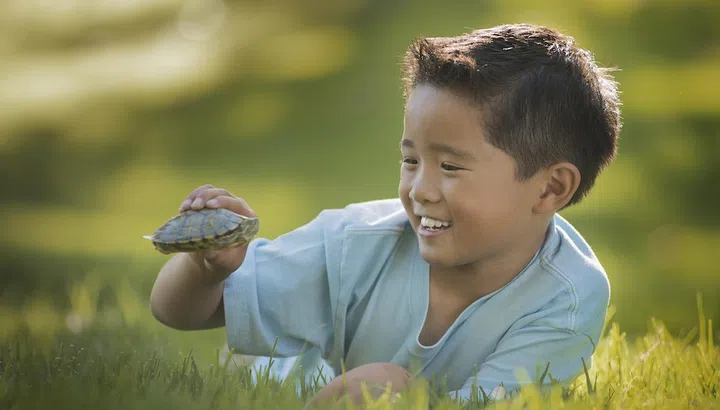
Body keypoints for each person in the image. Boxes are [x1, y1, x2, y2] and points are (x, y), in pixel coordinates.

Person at [149, 23, 621, 407]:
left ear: (551, 187)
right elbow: (179, 312)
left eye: (450, 166)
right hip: (292, 379)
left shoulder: (566, 298)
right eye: (411, 160)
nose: (419, 190)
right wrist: (206, 267)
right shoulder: (356, 242)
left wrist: (407, 395)